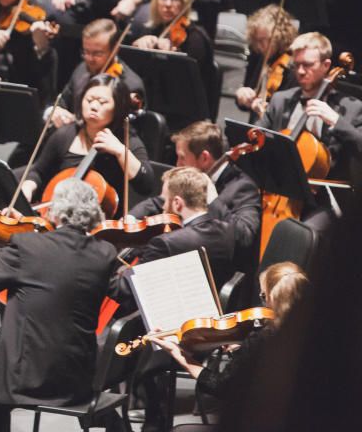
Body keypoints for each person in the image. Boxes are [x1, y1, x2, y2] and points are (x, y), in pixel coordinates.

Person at [0, 178, 122, 432]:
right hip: (77, 382)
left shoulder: (27, 247)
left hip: (26, 382)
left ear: (54, 211)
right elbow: (123, 291)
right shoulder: (104, 254)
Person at [115, 167, 236, 432]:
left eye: (165, 200)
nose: (162, 206)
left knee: (122, 320)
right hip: (212, 325)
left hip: (176, 329)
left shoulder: (166, 242)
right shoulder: (227, 231)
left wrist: (109, 266)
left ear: (178, 203)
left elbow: (126, 288)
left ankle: (137, 413)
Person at [155, 261, 308, 432]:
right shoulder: (317, 331)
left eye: (263, 296)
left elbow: (220, 386)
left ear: (273, 298)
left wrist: (181, 356)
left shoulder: (263, 338)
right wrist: (243, 352)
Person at [130, 121, 261, 272]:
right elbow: (159, 201)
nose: (177, 164)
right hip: (182, 255)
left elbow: (245, 237)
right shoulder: (190, 178)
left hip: (215, 268)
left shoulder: (243, 187)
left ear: (204, 158)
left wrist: (213, 201)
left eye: (182, 157)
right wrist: (131, 219)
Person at [259, 32, 362, 217]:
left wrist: (336, 121)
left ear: (326, 65)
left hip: (323, 200)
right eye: (296, 65)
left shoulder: (351, 108)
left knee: (302, 235)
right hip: (277, 189)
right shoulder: (281, 100)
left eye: (307, 65)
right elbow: (257, 137)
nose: (300, 71)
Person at [22, 73, 155, 215]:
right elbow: (39, 171)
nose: (94, 106)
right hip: (58, 216)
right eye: (89, 100)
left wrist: (121, 152)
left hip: (102, 225)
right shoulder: (65, 135)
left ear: (118, 107)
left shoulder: (128, 141)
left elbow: (146, 185)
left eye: (103, 102)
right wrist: (28, 187)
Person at [130, 0, 217, 118]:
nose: (168, 4)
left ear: (184, 2)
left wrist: (171, 58)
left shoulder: (195, 38)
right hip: (155, 105)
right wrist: (137, 46)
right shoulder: (151, 29)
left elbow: (189, 86)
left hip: (184, 112)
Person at [49, 18, 146, 128]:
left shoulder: (131, 85)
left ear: (115, 49)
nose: (90, 59)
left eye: (97, 53)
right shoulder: (82, 69)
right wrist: (56, 111)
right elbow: (62, 102)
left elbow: (124, 129)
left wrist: (76, 121)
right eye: (86, 52)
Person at [235, 4, 297, 120]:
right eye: (257, 40)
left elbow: (287, 112)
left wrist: (265, 108)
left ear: (281, 36)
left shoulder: (292, 66)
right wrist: (242, 95)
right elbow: (247, 99)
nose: (261, 46)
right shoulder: (259, 57)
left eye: (266, 40)